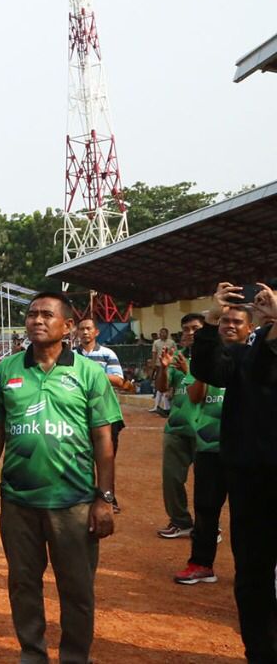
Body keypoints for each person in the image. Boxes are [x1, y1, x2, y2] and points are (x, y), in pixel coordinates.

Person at [0, 292, 120, 664]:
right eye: (32, 314)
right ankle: (32, 654)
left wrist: (104, 497)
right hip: (18, 501)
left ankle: (75, 657)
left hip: (73, 502)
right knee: (23, 585)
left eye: (46, 314)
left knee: (77, 589)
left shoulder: (89, 373)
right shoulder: (7, 368)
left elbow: (103, 439)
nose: (37, 320)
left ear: (68, 325)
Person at [189, 282, 277, 663]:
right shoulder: (244, 353)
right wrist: (211, 319)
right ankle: (260, 652)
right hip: (250, 482)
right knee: (253, 575)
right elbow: (207, 367)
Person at [174, 308, 247, 585]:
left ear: (250, 328)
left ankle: (248, 572)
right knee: (205, 510)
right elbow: (194, 397)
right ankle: (201, 563)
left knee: (246, 516)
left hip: (244, 452)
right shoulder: (206, 359)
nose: (230, 325)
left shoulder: (256, 360)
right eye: (225, 321)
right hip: (209, 446)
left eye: (237, 321)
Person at [153, 313, 205, 539]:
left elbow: (201, 395)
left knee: (207, 484)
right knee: (172, 479)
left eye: (195, 328)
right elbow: (162, 388)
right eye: (186, 329)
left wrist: (188, 371)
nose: (190, 333)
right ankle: (180, 521)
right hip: (177, 427)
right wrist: (164, 369)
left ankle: (207, 525)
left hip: (207, 430)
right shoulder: (177, 356)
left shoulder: (215, 357)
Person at [75, 317, 132, 512]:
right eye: (81, 329)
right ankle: (84, 497)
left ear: (96, 332)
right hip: (79, 413)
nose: (85, 332)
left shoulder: (107, 354)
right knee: (80, 457)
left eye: (88, 329)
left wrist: (90, 373)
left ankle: (108, 498)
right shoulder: (71, 355)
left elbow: (118, 380)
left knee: (106, 458)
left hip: (105, 411)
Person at [150, 327, 175, 413]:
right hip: (159, 365)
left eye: (164, 332)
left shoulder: (171, 342)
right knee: (158, 386)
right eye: (161, 332)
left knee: (167, 385)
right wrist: (153, 365)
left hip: (169, 366)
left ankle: (167, 407)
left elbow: (174, 353)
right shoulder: (156, 342)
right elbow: (154, 354)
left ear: (167, 334)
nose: (162, 334)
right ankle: (156, 406)